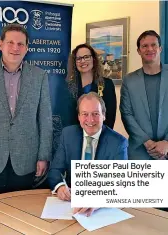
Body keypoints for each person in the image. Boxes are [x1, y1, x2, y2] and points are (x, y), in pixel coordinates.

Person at [0, 24, 52, 197]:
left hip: (26, 158)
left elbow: (45, 119)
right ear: (0, 44)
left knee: (23, 213)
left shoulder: (39, 76)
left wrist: (44, 156)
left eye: (21, 44)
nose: (15, 48)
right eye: (10, 42)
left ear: (27, 48)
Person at [47, 92, 128, 216]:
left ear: (104, 116)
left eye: (95, 114)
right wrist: (60, 186)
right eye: (85, 114)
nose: (90, 120)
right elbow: (55, 170)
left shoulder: (118, 143)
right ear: (79, 116)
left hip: (101, 212)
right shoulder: (68, 135)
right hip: (71, 206)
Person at [120, 30, 168, 161]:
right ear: (139, 51)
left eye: (153, 45)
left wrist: (166, 143)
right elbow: (126, 114)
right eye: (144, 46)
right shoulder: (129, 80)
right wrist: (147, 142)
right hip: (140, 152)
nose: (150, 49)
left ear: (160, 48)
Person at [67, 43, 117, 129]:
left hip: (100, 136)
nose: (82, 61)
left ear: (93, 59)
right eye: (78, 58)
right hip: (75, 137)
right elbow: (67, 116)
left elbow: (110, 116)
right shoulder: (68, 86)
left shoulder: (107, 84)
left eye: (86, 57)